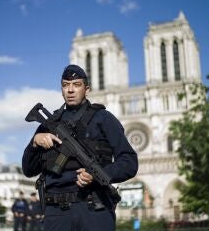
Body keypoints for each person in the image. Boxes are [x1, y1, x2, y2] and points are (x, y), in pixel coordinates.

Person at [22, 64, 138, 231]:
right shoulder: (50, 123)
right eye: (65, 85)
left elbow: (129, 162)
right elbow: (28, 170)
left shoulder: (103, 118)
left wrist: (98, 174)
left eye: (76, 84)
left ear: (87, 89)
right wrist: (35, 142)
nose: (70, 90)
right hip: (56, 213)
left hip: (94, 209)